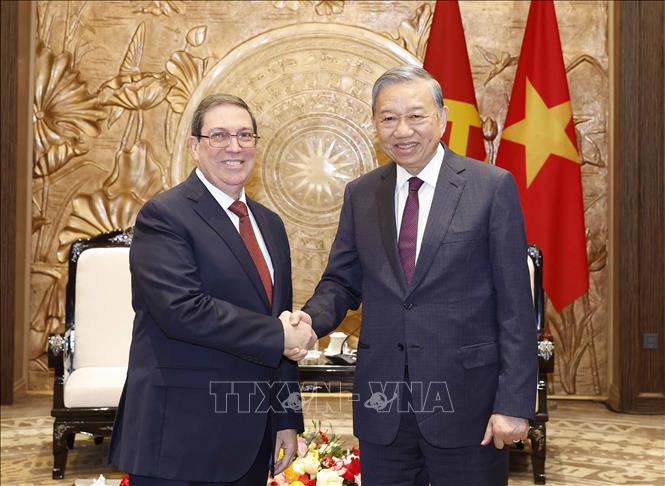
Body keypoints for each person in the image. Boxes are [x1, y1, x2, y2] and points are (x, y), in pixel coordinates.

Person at [290, 66, 537, 485]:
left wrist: (513, 403)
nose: (402, 130)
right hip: (384, 407)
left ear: (442, 119)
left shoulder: (490, 187)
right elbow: (341, 281)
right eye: (388, 118)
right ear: (375, 125)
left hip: (468, 405)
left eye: (416, 116)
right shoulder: (361, 193)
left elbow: (515, 305)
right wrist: (309, 322)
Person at [109, 94, 316, 485]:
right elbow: (182, 310)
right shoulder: (164, 216)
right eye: (219, 135)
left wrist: (287, 419)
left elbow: (281, 321)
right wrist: (278, 334)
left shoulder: (270, 224)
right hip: (178, 438)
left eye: (244, 135)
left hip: (250, 438)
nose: (234, 147)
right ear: (194, 146)